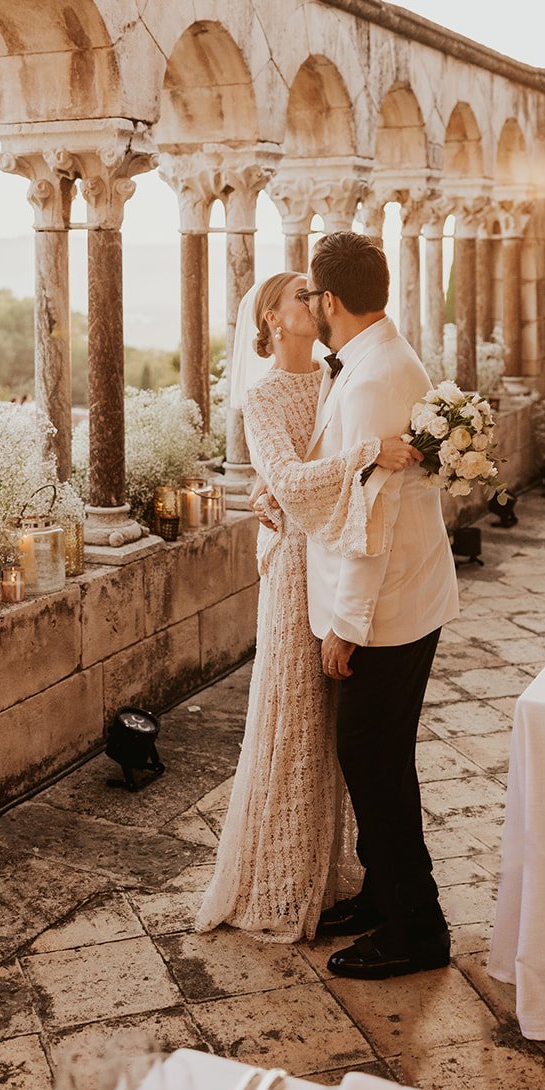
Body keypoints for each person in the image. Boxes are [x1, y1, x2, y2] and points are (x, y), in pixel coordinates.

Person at [195, 271, 417, 943]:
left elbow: (289, 478)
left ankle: (325, 877)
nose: (315, 304)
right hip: (296, 571)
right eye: (300, 296)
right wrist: (368, 453)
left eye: (318, 294)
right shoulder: (261, 396)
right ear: (271, 317)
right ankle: (280, 883)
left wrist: (274, 490)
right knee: (293, 714)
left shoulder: (334, 372)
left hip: (333, 553)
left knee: (332, 732)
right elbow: (291, 476)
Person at [297, 231, 460, 980]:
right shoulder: (387, 356)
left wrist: (346, 628)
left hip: (386, 611)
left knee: (374, 761)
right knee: (379, 759)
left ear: (330, 300)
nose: (309, 308)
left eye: (310, 296)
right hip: (410, 596)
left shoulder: (370, 380)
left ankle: (414, 929)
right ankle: (381, 894)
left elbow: (371, 518)